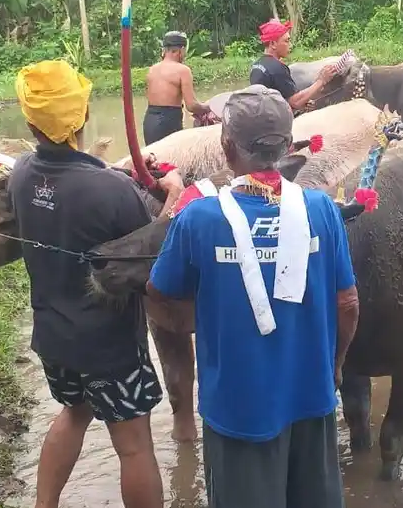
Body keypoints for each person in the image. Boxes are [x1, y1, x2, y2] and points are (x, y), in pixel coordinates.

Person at [148, 84, 361, 508]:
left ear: (227, 148)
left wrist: (206, 319)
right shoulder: (322, 209)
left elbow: (159, 298)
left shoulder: (199, 218)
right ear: (288, 146)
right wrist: (334, 368)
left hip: (235, 408)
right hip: (312, 399)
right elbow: (347, 304)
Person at [9, 59, 184, 508]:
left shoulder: (21, 174)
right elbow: (151, 250)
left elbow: (68, 190)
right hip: (109, 345)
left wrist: (115, 172)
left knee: (72, 414)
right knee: (134, 445)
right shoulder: (112, 191)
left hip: (53, 336)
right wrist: (175, 195)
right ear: (84, 114)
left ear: (31, 122)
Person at [250, 18, 337, 112]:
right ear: (273, 44)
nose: (290, 45)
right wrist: (321, 80)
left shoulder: (257, 65)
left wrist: (299, 105)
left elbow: (271, 100)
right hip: (274, 122)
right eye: (286, 41)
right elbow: (296, 101)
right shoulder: (277, 68)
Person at [143, 30, 212, 144]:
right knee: (171, 160)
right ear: (181, 50)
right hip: (168, 122)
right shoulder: (182, 70)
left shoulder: (152, 69)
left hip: (150, 121)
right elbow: (191, 106)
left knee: (153, 159)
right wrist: (209, 107)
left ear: (164, 50)